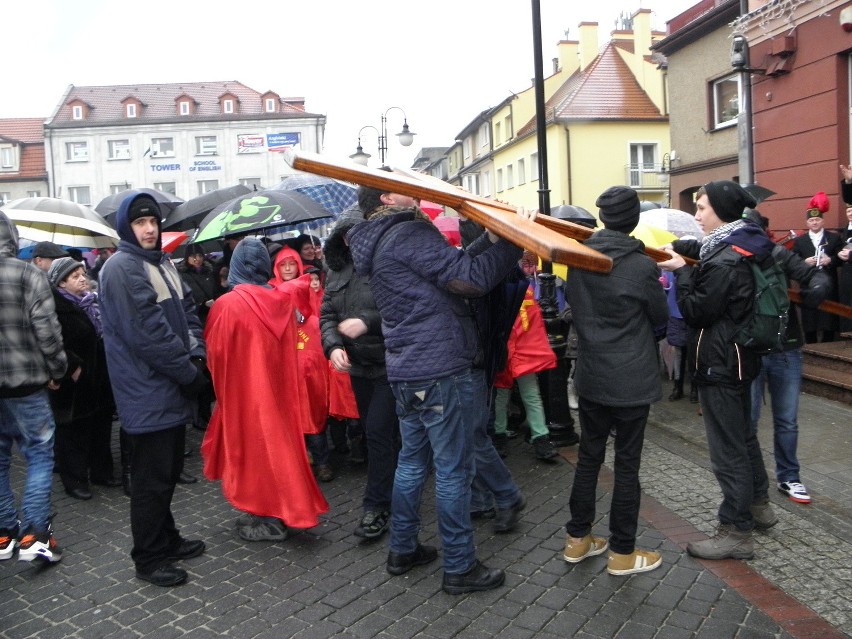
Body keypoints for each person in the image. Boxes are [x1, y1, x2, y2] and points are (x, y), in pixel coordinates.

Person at [346, 186, 532, 595]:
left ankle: (403, 549)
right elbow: (470, 279)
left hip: (408, 369)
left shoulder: (380, 238)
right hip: (440, 368)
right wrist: (514, 241)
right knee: (453, 470)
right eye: (401, 187)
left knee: (412, 463)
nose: (413, 189)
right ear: (387, 200)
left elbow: (453, 265)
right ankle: (460, 567)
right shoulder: (409, 232)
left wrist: (492, 237)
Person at [659, 180, 775, 561]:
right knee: (743, 437)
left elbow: (696, 310)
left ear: (722, 212)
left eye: (703, 208)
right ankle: (759, 505)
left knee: (728, 449)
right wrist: (682, 250)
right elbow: (708, 256)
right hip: (739, 358)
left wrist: (680, 272)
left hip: (721, 362)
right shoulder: (737, 244)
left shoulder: (725, 258)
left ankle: (736, 530)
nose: (697, 216)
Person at [99, 192, 209, 587]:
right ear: (126, 229)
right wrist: (189, 372)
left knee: (166, 471)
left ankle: (167, 538)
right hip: (147, 391)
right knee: (151, 480)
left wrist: (196, 356)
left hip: (169, 386)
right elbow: (149, 335)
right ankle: (147, 557)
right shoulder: (121, 268)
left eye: (153, 222)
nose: (149, 228)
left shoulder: (161, 263)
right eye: (140, 223)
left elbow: (189, 315)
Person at [561, 186, 669, 575]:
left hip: (591, 374)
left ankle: (577, 539)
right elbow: (660, 317)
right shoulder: (641, 266)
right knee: (627, 464)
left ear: (603, 217)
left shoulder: (581, 258)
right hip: (631, 378)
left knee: (589, 457)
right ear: (634, 218)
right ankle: (623, 552)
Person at [202, 237, 329, 542]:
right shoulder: (281, 300)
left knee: (252, 454)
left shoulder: (227, 304)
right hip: (279, 392)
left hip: (243, 394)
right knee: (281, 451)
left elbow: (215, 356)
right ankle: (284, 508)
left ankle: (265, 513)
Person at [321, 211, 399, 540]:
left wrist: (367, 320)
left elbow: (401, 307)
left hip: (389, 364)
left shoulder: (384, 263)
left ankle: (376, 506)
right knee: (374, 432)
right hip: (357, 367)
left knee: (380, 433)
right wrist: (333, 345)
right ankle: (397, 481)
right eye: (348, 236)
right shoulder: (335, 271)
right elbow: (327, 314)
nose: (353, 241)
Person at [746, 212, 830, 506]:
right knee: (749, 421)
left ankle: (789, 476)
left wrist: (818, 288)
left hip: (786, 348)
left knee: (787, 421)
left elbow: (815, 276)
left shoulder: (779, 254)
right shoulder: (732, 257)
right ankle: (751, 481)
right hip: (749, 349)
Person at [0, 212, 67, 564]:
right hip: (27, 384)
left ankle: (3, 534)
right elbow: (48, 330)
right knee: (39, 455)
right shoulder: (28, 274)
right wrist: (57, 369)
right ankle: (35, 535)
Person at [46, 257, 120, 500]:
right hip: (73, 380)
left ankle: (101, 471)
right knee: (74, 431)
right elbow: (51, 341)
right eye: (75, 276)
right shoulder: (55, 307)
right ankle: (75, 479)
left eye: (82, 274)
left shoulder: (93, 303)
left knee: (101, 425)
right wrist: (72, 367)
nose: (82, 279)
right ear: (61, 283)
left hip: (100, 374)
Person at [493, 285, 560, 462]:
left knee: (528, 393)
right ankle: (500, 433)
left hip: (520, 347)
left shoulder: (521, 285)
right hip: (504, 347)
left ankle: (540, 436)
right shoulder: (502, 283)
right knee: (502, 393)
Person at [791, 192, 843, 343]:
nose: (814, 223)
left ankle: (829, 345)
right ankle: (811, 347)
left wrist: (830, 260)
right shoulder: (800, 241)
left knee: (828, 319)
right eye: (811, 220)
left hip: (828, 284)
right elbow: (793, 260)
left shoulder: (833, 238)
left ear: (822, 221)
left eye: (817, 219)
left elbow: (841, 258)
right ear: (807, 223)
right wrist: (804, 262)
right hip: (808, 284)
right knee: (810, 320)